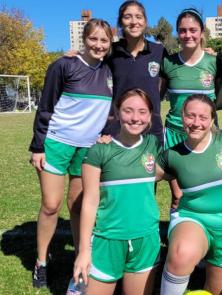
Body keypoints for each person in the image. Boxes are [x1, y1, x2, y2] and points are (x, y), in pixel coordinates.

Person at [29, 19, 113, 288]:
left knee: (78, 207)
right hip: (56, 143)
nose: (99, 45)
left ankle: (81, 258)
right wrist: (38, 146)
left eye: (104, 40)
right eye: (94, 39)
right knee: (51, 205)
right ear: (83, 40)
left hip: (88, 148)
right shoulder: (64, 65)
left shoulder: (110, 71)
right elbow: (45, 106)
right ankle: (41, 261)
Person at [73, 88, 161, 295]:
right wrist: (84, 251)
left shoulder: (153, 144)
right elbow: (90, 202)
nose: (135, 118)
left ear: (150, 116)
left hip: (145, 239)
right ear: (117, 111)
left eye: (142, 112)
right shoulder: (99, 150)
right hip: (107, 239)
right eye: (128, 110)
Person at [157, 94, 222, 295]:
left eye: (203, 117)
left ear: (213, 119)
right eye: (190, 116)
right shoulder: (172, 155)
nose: (196, 123)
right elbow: (140, 175)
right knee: (181, 254)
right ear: (182, 116)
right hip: (193, 219)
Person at [106, 0, 167, 144]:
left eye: (139, 17)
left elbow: (166, 81)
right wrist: (76, 56)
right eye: (127, 17)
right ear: (120, 23)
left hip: (151, 128)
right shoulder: (110, 52)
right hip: (119, 128)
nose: (134, 22)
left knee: (153, 166)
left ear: (145, 22)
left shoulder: (159, 51)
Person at [161, 8, 222, 149]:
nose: (188, 35)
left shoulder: (214, 62)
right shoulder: (167, 63)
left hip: (206, 133)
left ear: (202, 32)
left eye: (193, 30)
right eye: (182, 30)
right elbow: (155, 98)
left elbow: (220, 102)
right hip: (174, 135)